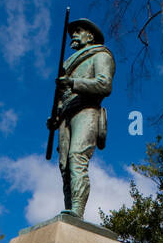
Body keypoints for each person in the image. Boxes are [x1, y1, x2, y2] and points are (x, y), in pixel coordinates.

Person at [47, 18, 114, 218]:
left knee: (77, 156)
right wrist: (55, 118)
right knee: (64, 165)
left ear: (90, 36)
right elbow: (61, 100)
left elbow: (104, 85)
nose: (73, 35)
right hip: (66, 116)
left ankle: (77, 210)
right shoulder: (69, 65)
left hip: (87, 110)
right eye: (72, 32)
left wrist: (73, 82)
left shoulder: (101, 55)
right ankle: (69, 211)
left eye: (78, 31)